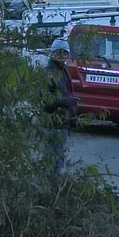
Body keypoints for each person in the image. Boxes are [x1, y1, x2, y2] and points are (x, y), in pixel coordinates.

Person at [43, 38, 78, 176]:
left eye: (65, 53)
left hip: (63, 120)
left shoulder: (63, 70)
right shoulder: (49, 72)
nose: (62, 56)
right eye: (59, 52)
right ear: (52, 53)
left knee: (58, 155)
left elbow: (67, 92)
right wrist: (67, 101)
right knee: (54, 156)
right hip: (53, 121)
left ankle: (54, 187)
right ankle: (52, 186)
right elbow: (46, 98)